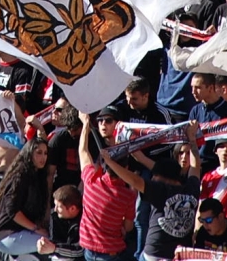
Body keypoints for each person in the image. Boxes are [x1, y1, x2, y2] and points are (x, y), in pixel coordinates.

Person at [101, 123, 202, 261]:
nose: (153, 178)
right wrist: (192, 140)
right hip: (179, 256)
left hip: (154, 255)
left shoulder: (161, 190)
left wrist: (110, 162)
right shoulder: (192, 189)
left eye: (155, 175)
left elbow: (134, 180)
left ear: (164, 177)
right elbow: (196, 165)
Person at [77, 112, 137, 261]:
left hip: (88, 251)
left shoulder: (91, 180)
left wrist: (85, 124)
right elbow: (128, 227)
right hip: (111, 253)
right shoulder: (128, 196)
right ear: (126, 167)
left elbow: (83, 151)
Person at [0, 138, 51, 256]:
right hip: (8, 235)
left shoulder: (39, 178)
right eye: (39, 153)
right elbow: (12, 211)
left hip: (25, 232)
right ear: (29, 154)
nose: (43, 157)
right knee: (48, 244)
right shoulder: (20, 177)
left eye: (45, 153)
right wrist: (35, 228)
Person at [36, 185, 83, 258]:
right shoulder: (55, 216)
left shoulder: (84, 221)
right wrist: (45, 245)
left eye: (59, 207)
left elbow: (80, 251)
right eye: (55, 205)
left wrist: (55, 248)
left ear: (72, 208)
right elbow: (54, 240)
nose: (55, 209)